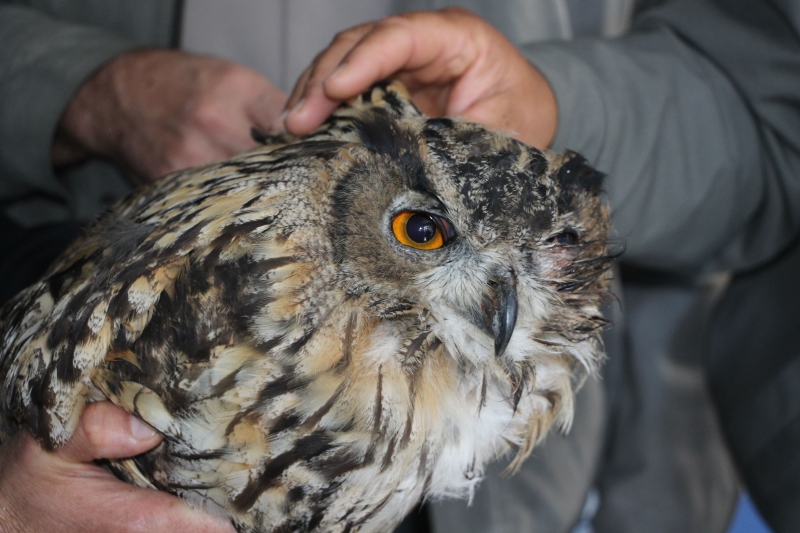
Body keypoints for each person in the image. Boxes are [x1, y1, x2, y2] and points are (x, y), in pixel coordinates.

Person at [1, 1, 799, 532]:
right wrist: (77, 87)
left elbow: (758, 107)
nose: (494, 295)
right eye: (422, 231)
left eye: (542, 261)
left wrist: (556, 101)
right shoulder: (184, 326)